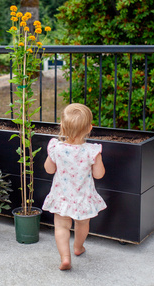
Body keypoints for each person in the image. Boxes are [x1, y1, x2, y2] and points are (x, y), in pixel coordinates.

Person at [42, 103, 107, 271]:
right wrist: (98, 160)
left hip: (61, 196)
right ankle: (78, 247)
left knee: (61, 227)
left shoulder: (56, 147)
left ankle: (65, 258)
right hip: (83, 197)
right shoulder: (92, 151)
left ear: (62, 126)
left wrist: (52, 157)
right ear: (89, 128)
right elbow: (99, 175)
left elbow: (49, 169)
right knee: (82, 224)